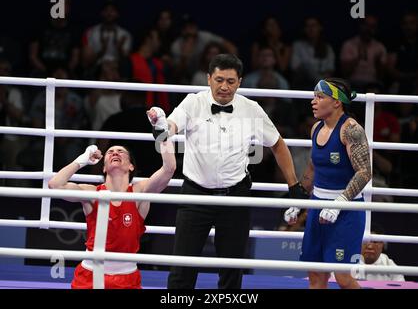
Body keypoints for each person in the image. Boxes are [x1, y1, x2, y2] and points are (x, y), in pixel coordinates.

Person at [164, 53, 308, 289]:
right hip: (195, 195)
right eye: (219, 79)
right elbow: (170, 128)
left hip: (235, 196)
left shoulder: (251, 109)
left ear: (240, 82)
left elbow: (278, 144)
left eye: (230, 81)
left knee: (232, 269)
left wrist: (293, 185)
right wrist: (161, 127)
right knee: (182, 268)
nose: (224, 86)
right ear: (209, 78)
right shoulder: (193, 102)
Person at [48, 108, 176, 289]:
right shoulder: (92, 193)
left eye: (121, 151)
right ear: (103, 167)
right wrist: (82, 159)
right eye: (110, 151)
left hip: (127, 278)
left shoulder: (140, 193)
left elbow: (169, 168)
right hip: (89, 275)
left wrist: (162, 131)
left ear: (131, 166)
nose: (115, 152)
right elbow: (55, 185)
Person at [284, 77, 372, 289]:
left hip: (346, 211)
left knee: (343, 278)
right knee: (315, 276)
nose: (314, 101)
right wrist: (299, 201)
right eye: (314, 96)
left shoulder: (351, 130)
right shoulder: (315, 129)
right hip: (316, 207)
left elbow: (365, 172)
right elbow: (313, 168)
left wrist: (339, 202)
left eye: (320, 97)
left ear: (336, 102)